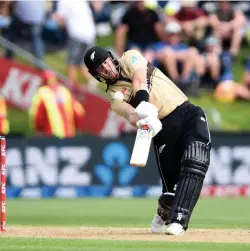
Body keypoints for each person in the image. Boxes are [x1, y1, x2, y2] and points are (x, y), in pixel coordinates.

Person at [83, 46, 211, 235]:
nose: (107, 69)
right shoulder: (113, 96)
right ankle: (163, 213)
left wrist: (143, 104)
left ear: (111, 58)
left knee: (196, 161)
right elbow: (130, 115)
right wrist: (143, 119)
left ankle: (179, 221)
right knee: (171, 191)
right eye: (101, 69)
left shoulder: (130, 57)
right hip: (162, 129)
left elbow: (140, 80)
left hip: (187, 113)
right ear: (96, 75)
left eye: (106, 63)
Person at [29, 70, 85, 138]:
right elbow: (79, 111)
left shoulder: (42, 93)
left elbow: (37, 116)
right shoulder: (65, 91)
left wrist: (39, 130)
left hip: (49, 135)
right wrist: (77, 128)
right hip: (69, 135)